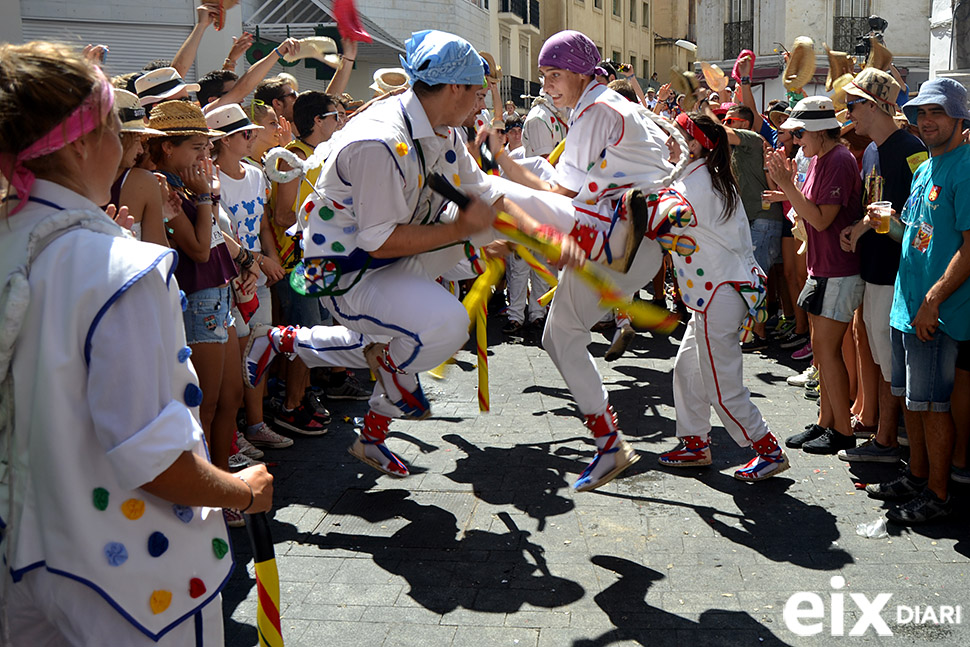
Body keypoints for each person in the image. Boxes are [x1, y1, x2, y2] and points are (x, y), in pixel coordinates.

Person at [0, 41, 272, 646]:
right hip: (129, 582)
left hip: (20, 565)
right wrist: (241, 490)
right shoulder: (124, 267)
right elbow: (153, 459)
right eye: (118, 129)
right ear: (80, 144)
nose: (130, 145)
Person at [245, 31, 584, 480]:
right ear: (455, 89)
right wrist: (466, 229)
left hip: (392, 254)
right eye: (478, 92)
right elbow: (380, 240)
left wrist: (562, 229)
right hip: (347, 270)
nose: (482, 105)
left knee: (387, 341)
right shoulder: (378, 141)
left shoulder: (442, 127)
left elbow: (484, 191)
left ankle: (313, 374)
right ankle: (370, 370)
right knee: (439, 326)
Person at [485, 29, 679, 491]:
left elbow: (561, 193)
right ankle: (612, 441)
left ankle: (610, 444)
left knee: (561, 338)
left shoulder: (594, 112)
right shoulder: (622, 107)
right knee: (559, 338)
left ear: (579, 73)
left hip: (615, 244)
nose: (548, 85)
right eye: (545, 76)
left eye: (554, 75)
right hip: (636, 246)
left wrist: (502, 166)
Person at [655, 113, 788, 480]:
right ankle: (696, 443)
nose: (668, 142)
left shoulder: (694, 187)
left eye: (676, 137)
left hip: (718, 297)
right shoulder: (702, 178)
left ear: (694, 146)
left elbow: (658, 223)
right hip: (713, 295)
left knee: (722, 386)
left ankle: (767, 449)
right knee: (686, 370)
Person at [865, 78, 970, 524]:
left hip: (935, 311)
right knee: (911, 401)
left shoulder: (965, 167)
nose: (927, 121)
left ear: (960, 118)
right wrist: (884, 225)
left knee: (932, 407)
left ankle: (939, 494)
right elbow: (915, 235)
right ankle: (918, 475)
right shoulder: (927, 165)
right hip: (908, 306)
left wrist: (933, 299)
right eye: (922, 113)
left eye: (937, 113)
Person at [147, 101, 258, 525]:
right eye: (196, 147)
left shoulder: (186, 184)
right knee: (206, 405)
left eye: (207, 147)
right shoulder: (164, 186)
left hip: (218, 295)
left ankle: (224, 480)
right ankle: (213, 494)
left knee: (230, 395)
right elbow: (196, 247)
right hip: (196, 300)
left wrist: (240, 266)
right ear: (166, 147)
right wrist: (208, 196)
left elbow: (214, 242)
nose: (204, 156)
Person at [837, 68, 927, 464]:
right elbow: (873, 208)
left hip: (896, 273)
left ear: (873, 105)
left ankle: (889, 441)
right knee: (880, 355)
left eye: (852, 104)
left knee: (892, 362)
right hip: (874, 268)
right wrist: (858, 229)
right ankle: (888, 436)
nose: (847, 112)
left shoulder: (909, 149)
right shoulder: (872, 149)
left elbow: (915, 221)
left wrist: (863, 228)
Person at [767, 97, 864, 455]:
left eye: (799, 132)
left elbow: (822, 219)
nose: (795, 139)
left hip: (837, 269)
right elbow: (812, 212)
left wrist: (787, 187)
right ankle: (827, 421)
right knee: (823, 353)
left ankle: (841, 430)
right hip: (823, 267)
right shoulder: (825, 158)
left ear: (819, 131)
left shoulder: (837, 159)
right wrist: (787, 188)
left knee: (826, 350)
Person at [206, 104, 294, 453]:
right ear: (225, 140)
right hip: (232, 279)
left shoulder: (256, 173)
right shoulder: (211, 178)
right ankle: (234, 431)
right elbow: (218, 231)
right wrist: (256, 260)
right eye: (246, 133)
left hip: (257, 275)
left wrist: (270, 257)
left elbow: (260, 224)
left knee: (260, 351)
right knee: (237, 359)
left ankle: (257, 424)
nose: (253, 137)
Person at [722, 103, 784, 349]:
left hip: (764, 218)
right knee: (752, 275)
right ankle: (753, 330)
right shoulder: (738, 147)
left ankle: (758, 334)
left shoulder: (751, 138)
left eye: (730, 121)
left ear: (744, 124)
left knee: (758, 276)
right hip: (754, 218)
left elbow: (717, 132)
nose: (726, 125)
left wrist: (701, 109)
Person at [109, 88, 168, 245]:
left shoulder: (67, 181)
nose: (141, 150)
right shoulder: (144, 181)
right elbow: (161, 256)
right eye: (136, 140)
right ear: (116, 139)